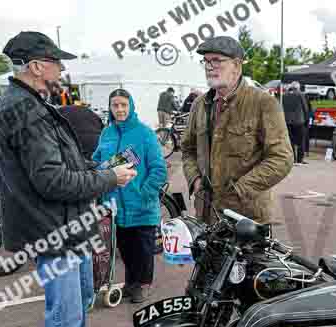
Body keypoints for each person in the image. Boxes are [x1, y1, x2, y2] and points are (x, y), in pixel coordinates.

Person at [0, 31, 137, 327]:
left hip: (65, 225)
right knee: (66, 311)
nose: (61, 69)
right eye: (56, 62)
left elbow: (61, 163)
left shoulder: (30, 103)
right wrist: (109, 179)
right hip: (53, 230)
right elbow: (52, 181)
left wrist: (98, 168)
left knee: (81, 300)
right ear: (37, 66)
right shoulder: (23, 110)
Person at [182, 37, 293, 225]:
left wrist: (239, 190)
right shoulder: (199, 105)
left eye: (216, 60)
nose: (209, 67)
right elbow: (188, 149)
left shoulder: (263, 103)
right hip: (205, 215)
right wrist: (195, 180)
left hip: (246, 219)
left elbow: (282, 158)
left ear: (236, 65)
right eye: (206, 61)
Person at [93, 88, 167, 304]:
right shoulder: (106, 134)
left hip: (142, 207)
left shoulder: (145, 133)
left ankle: (143, 285)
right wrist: (97, 171)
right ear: (110, 108)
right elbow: (96, 161)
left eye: (123, 105)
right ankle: (130, 283)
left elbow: (158, 169)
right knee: (125, 250)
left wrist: (144, 194)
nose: (119, 109)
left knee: (143, 251)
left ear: (131, 106)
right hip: (115, 207)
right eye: (115, 105)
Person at [282, 82, 307, 165]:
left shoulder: (284, 95)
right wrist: (306, 118)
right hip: (299, 121)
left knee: (290, 141)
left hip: (288, 121)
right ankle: (299, 160)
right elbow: (305, 107)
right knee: (300, 141)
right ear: (298, 87)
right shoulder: (300, 94)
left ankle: (293, 159)